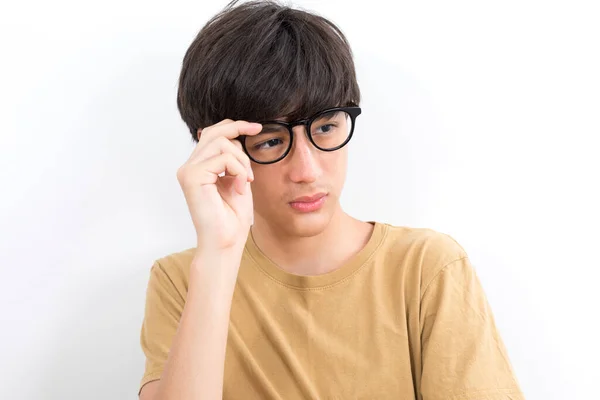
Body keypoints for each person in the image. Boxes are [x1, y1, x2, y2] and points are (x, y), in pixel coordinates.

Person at [138, 1, 524, 399]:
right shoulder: (184, 281)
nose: (307, 169)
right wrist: (218, 255)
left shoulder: (426, 268)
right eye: (271, 140)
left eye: (325, 127)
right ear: (221, 151)